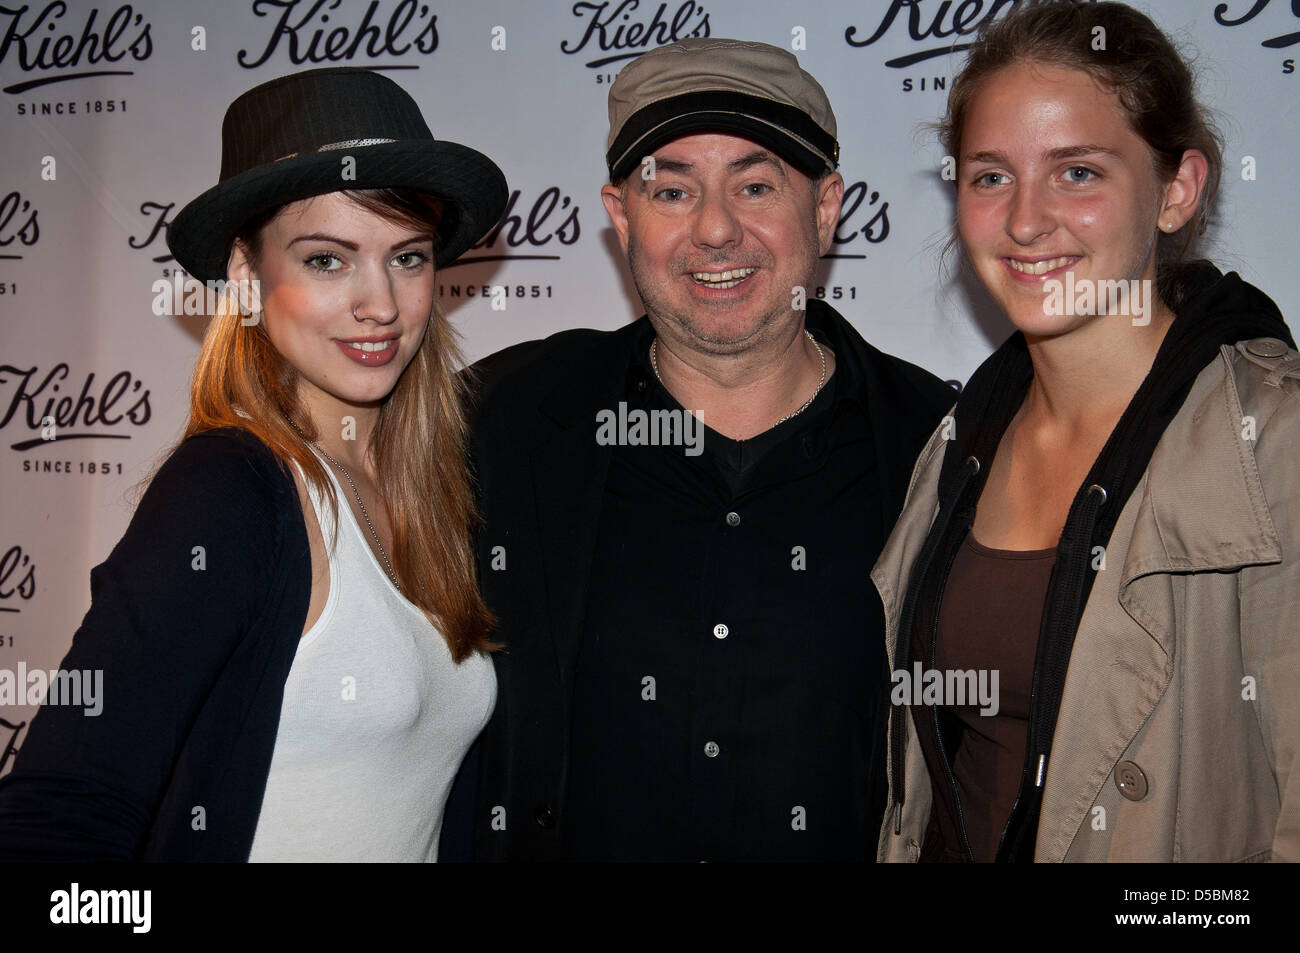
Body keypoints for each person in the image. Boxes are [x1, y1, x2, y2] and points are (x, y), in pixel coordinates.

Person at [462, 38, 955, 861]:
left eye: (755, 186)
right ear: (621, 215)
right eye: (672, 189)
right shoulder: (499, 420)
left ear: (826, 207)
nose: (716, 229)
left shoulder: (942, 447)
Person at [0, 67, 508, 861]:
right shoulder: (229, 493)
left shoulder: (435, 492)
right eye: (327, 260)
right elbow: (56, 818)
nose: (380, 302)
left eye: (407, 257)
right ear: (245, 276)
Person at [875, 1, 1299, 862]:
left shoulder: (1277, 443)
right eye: (990, 176)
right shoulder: (955, 444)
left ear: (1177, 190)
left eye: (1077, 173)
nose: (1026, 222)